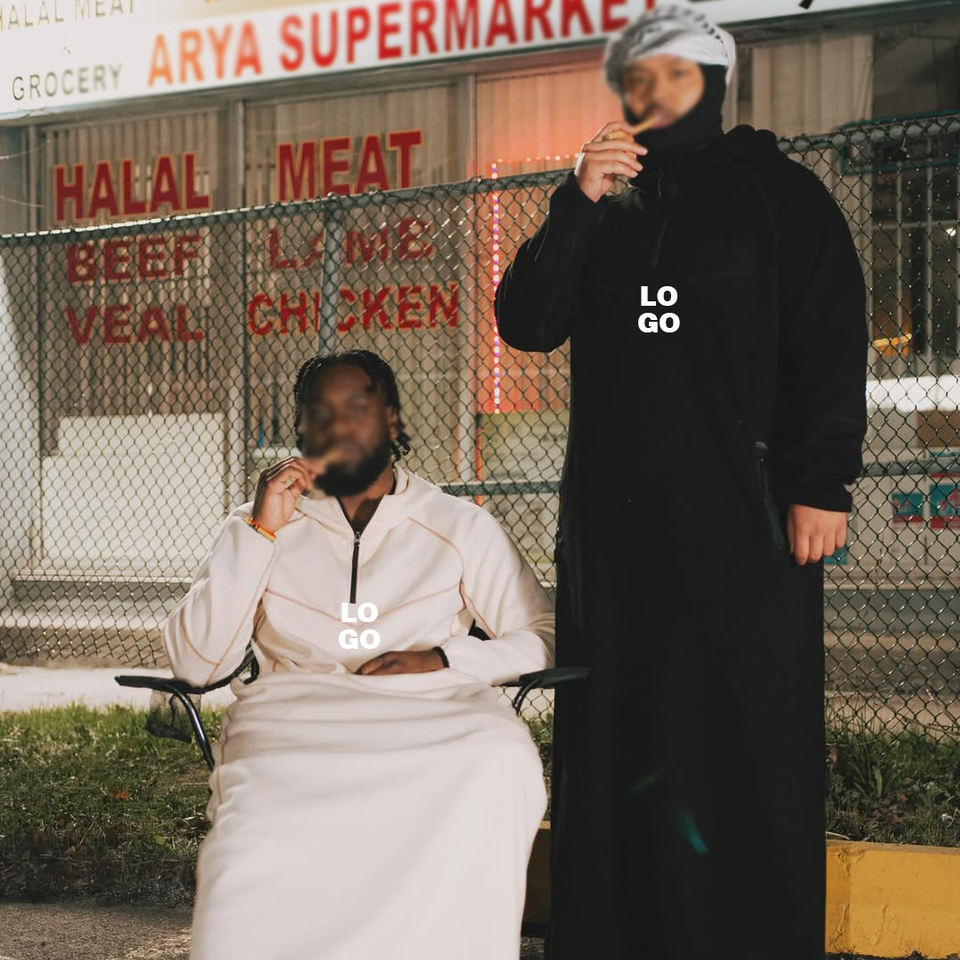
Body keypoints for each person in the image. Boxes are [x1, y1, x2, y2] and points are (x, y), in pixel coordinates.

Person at [494, 6, 868, 960]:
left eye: (676, 75)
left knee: (745, 734)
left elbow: (829, 343)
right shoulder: (600, 201)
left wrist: (823, 482)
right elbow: (527, 324)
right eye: (637, 76)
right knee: (618, 736)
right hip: (615, 541)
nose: (653, 93)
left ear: (716, 83)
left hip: (747, 528)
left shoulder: (782, 197)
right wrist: (575, 201)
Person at [162, 348, 555, 960]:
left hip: (436, 712)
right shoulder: (258, 523)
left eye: (357, 408)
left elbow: (544, 634)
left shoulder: (458, 525)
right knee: (261, 810)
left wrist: (445, 660)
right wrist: (259, 533)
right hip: (295, 719)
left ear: (392, 420)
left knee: (498, 756)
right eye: (321, 412)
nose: (339, 426)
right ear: (300, 430)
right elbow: (196, 664)